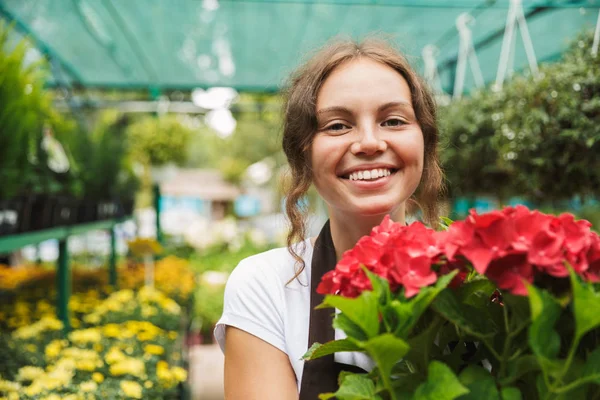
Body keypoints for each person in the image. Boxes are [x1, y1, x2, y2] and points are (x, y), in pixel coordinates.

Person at [214, 37, 444, 399]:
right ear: (304, 155)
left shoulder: (475, 281)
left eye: (393, 120)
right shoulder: (267, 287)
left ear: (425, 143)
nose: (369, 143)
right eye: (338, 125)